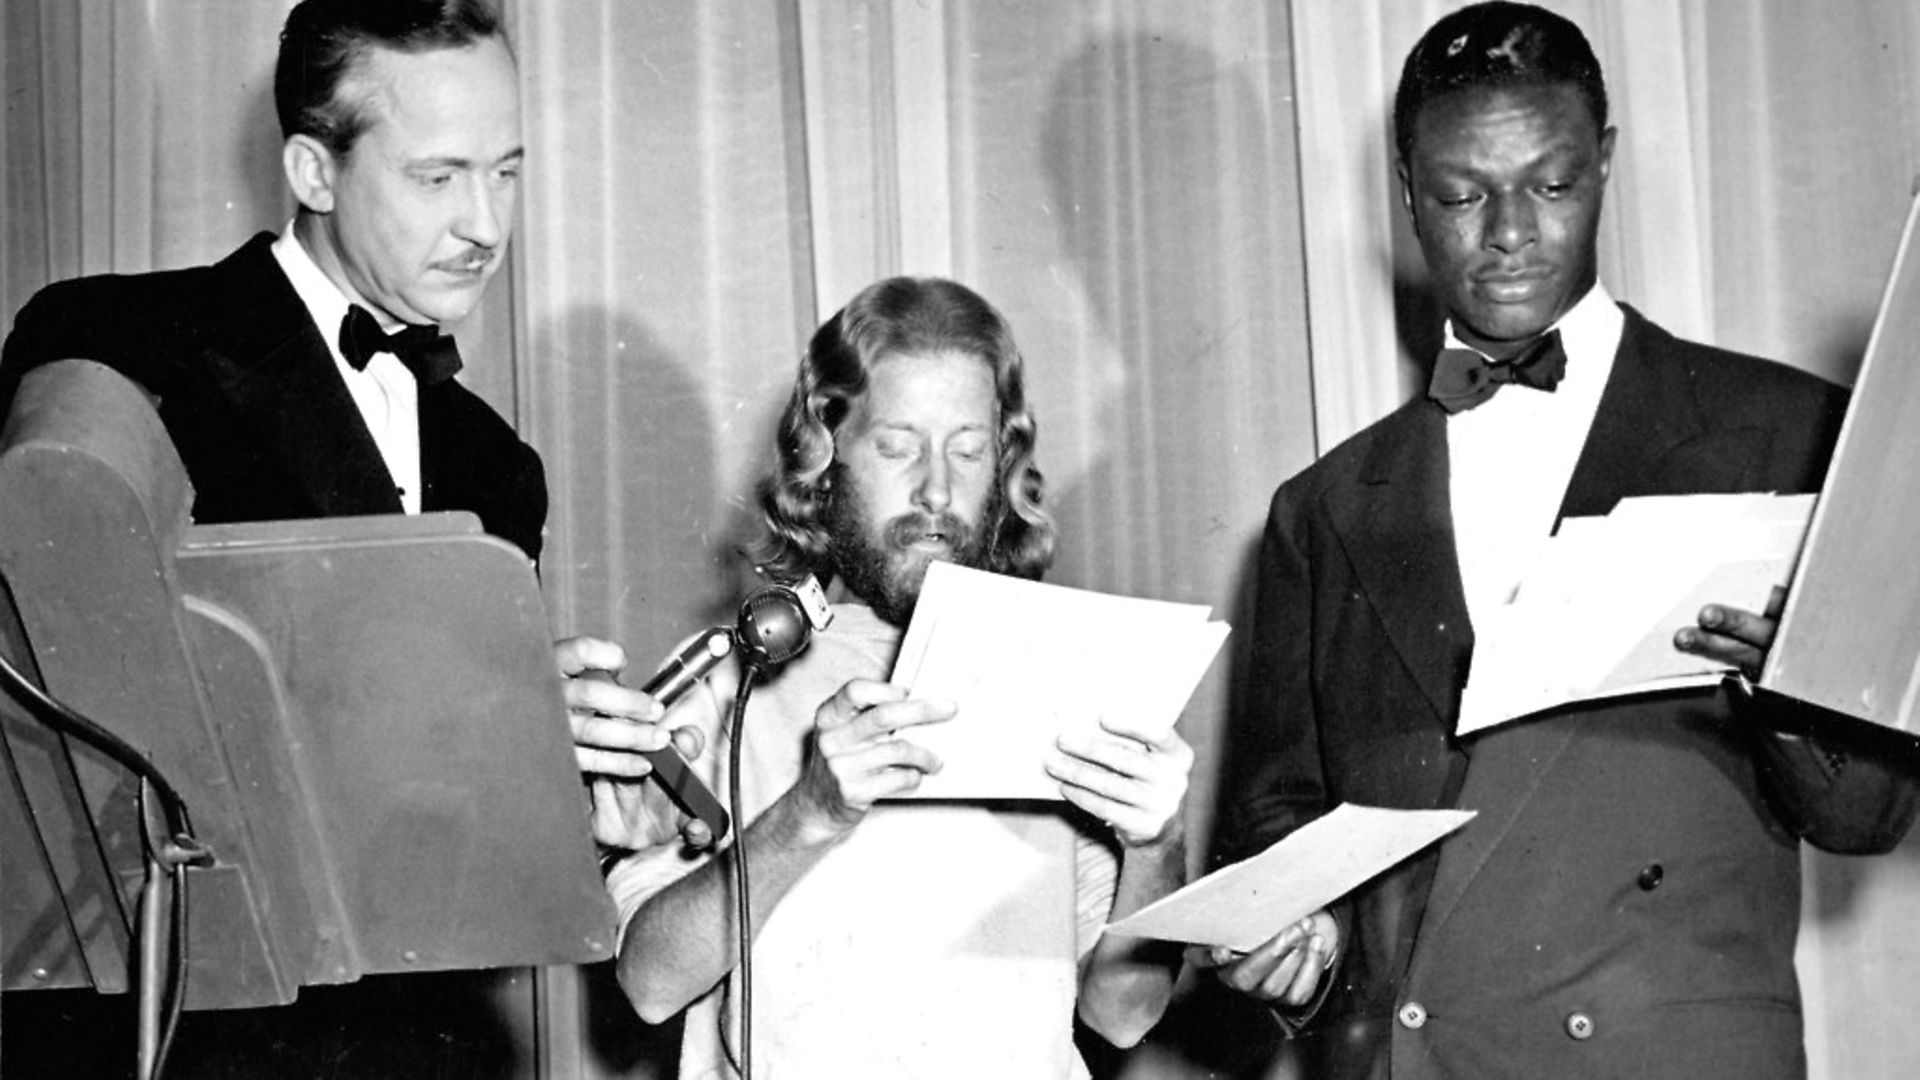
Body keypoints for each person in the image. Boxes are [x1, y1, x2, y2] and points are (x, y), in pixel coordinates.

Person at [1207, 4, 1919, 1078]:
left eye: (1552, 186)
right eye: (1459, 194)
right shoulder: (1327, 508)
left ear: (1607, 165)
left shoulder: (1789, 431)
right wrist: (1298, 945)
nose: (1507, 234)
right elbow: (1279, 829)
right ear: (1405, 191)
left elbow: (1868, 816)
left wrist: (1785, 679)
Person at [0, 0, 691, 1073]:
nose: (487, 225)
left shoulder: (495, 468)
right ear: (314, 172)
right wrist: (479, 709)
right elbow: (96, 728)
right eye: (438, 177)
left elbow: (433, 862)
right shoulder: (116, 344)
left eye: (506, 171)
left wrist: (559, 795)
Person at [601, 276, 1192, 1078]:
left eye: (968, 448)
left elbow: (1124, 1016)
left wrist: (1160, 843)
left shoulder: (1063, 668)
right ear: (825, 453)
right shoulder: (731, 678)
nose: (938, 491)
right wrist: (810, 813)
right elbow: (648, 983)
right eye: (898, 445)